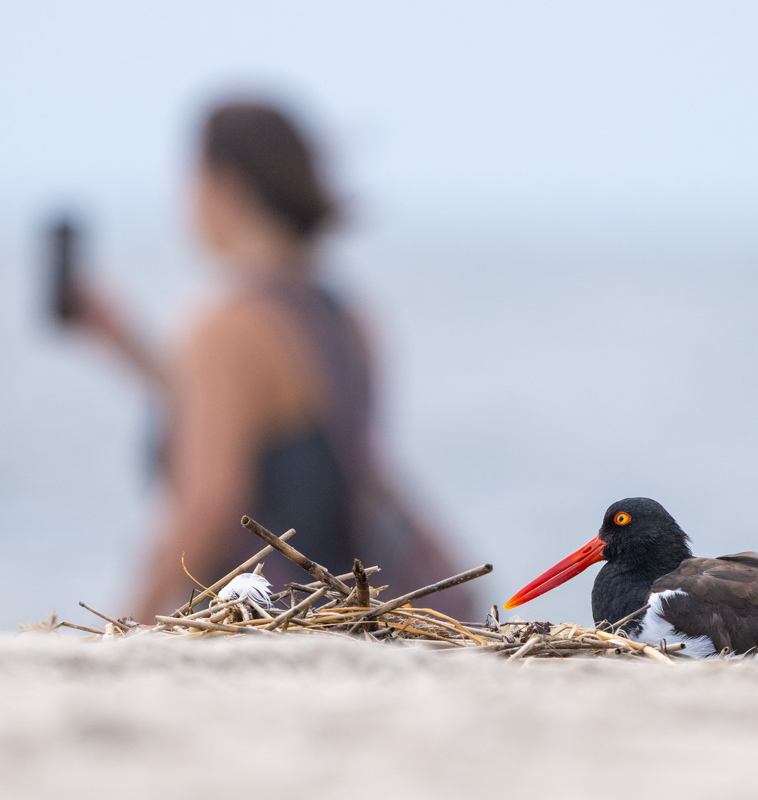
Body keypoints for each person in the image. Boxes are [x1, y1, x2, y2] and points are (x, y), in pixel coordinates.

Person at [70, 100, 475, 621]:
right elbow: (294, 445)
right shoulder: (344, 315)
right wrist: (129, 349)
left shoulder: (225, 324)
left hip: (271, 616)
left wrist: (124, 627)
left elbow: (209, 505)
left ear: (227, 188)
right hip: (345, 612)